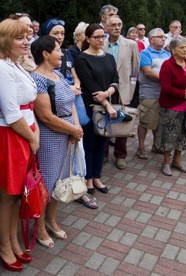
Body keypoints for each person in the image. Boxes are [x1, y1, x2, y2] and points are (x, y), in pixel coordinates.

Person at [0, 18, 38, 271]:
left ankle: (12, 240)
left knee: (19, 194)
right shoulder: (0, 67)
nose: (26, 41)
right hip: (11, 135)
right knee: (8, 196)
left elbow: (29, 104)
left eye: (27, 36)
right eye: (20, 37)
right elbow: (10, 113)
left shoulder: (16, 64)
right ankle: (3, 245)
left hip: (25, 132)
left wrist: (35, 133)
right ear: (5, 41)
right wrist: (32, 138)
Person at [31, 36, 84, 247]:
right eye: (58, 50)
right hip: (51, 137)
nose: (62, 54)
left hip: (68, 134)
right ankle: (39, 227)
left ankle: (52, 221)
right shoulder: (37, 79)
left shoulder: (58, 75)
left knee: (59, 180)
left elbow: (71, 102)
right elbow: (45, 117)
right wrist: (73, 129)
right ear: (45, 53)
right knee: (47, 182)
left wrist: (76, 128)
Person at [74, 24, 119, 208]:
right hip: (90, 107)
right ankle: (88, 179)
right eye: (97, 37)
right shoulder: (82, 59)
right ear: (88, 38)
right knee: (90, 143)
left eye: (103, 36)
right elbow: (90, 84)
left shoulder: (108, 57)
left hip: (107, 105)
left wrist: (108, 93)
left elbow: (115, 79)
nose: (101, 40)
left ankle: (97, 177)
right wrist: (106, 103)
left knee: (103, 142)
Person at [156, 37, 186, 176]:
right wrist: (184, 94)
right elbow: (166, 87)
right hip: (171, 106)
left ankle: (177, 161)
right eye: (181, 47)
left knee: (184, 133)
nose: (185, 50)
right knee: (169, 135)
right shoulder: (167, 65)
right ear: (173, 50)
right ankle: (166, 163)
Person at [104, 14, 140, 170]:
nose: (117, 27)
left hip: (124, 89)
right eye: (113, 25)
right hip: (105, 89)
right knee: (104, 118)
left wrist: (131, 90)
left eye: (119, 24)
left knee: (123, 120)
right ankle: (104, 153)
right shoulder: (101, 44)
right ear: (106, 27)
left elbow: (135, 70)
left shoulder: (131, 44)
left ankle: (120, 155)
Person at [136, 28, 171, 159]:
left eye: (164, 37)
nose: (163, 38)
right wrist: (167, 80)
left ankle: (157, 145)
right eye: (160, 36)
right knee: (146, 121)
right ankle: (140, 147)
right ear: (151, 39)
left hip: (164, 94)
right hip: (149, 93)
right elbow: (148, 72)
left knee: (159, 121)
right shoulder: (145, 53)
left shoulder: (167, 54)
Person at [40, 17, 81, 93]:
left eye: (62, 33)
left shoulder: (66, 52)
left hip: (74, 91)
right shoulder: (42, 55)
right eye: (55, 33)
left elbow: (75, 76)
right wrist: (69, 88)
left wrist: (77, 86)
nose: (60, 37)